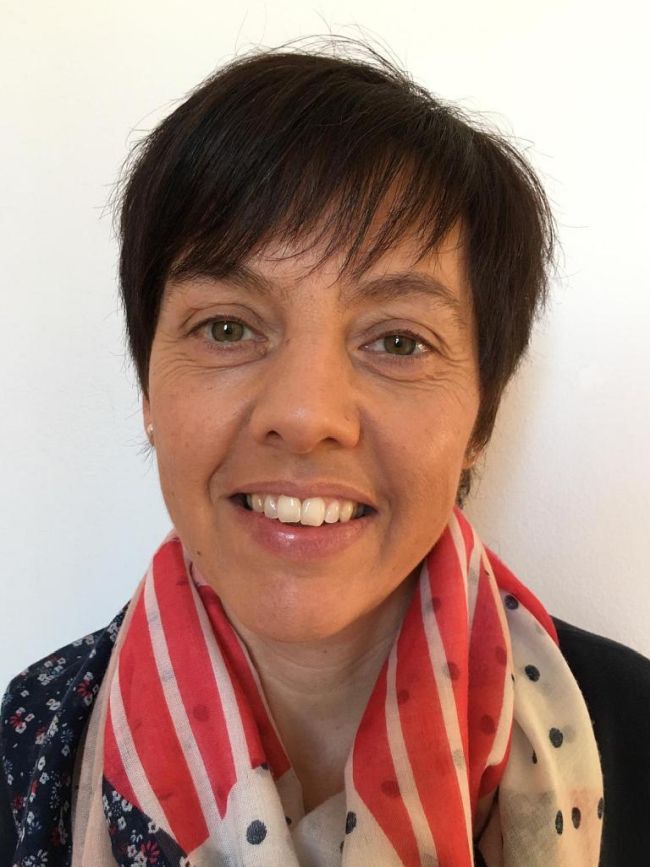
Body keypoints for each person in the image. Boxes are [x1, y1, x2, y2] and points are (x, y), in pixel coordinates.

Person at [1, 35, 649, 867]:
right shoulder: (33, 744)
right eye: (226, 327)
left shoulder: (630, 727)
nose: (305, 416)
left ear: (480, 418)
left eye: (398, 341)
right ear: (150, 390)